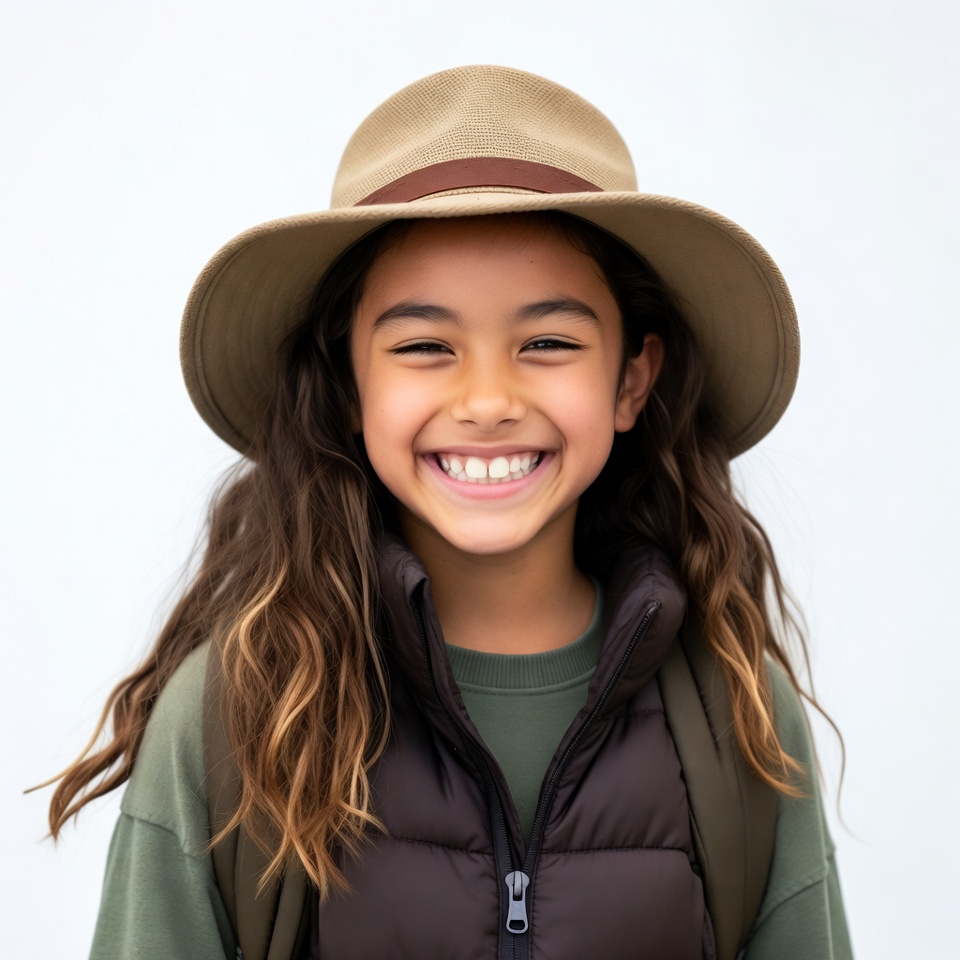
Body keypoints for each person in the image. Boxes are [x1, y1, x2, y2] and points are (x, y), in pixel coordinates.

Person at [46, 65, 852, 959]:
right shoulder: (238, 715)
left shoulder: (736, 716)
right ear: (351, 384)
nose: (486, 399)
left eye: (547, 342)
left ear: (631, 379)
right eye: (425, 345)